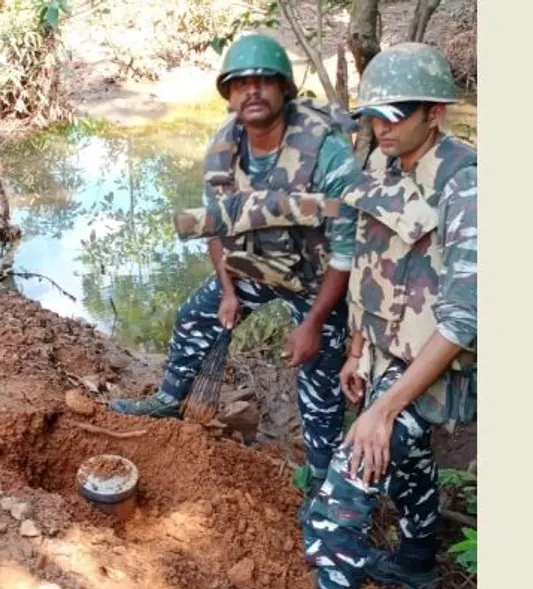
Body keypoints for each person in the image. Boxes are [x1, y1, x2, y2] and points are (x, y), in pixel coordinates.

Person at [232, 42, 480, 589]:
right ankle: (419, 561)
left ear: (436, 110)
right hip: (383, 359)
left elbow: (465, 317)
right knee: (407, 460)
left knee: (337, 510)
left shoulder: (466, 182)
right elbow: (370, 263)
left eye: (397, 114)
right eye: (373, 116)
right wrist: (355, 355)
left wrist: (383, 406)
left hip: (432, 372)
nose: (382, 126)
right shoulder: (381, 162)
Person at [108, 33, 362, 489]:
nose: (253, 91)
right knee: (194, 317)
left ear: (285, 88)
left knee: (318, 376)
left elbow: (347, 252)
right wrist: (228, 292)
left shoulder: (327, 153)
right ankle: (169, 398)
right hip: (256, 264)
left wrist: (312, 323)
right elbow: (216, 227)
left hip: (318, 279)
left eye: (265, 81)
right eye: (240, 83)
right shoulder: (223, 150)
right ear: (228, 95)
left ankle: (322, 477)